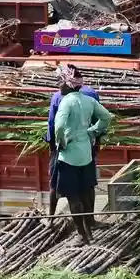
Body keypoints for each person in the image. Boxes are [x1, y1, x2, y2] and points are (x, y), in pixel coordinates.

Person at [52, 65, 113, 243]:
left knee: (73, 197)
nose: (58, 85)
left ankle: (81, 235)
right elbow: (107, 117)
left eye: (60, 82)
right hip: (86, 153)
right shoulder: (88, 100)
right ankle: (90, 230)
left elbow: (59, 126)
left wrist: (60, 142)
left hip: (69, 157)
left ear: (67, 84)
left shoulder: (66, 101)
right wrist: (93, 131)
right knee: (86, 194)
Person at [47, 64, 100, 218]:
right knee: (88, 184)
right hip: (87, 146)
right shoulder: (91, 93)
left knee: (56, 182)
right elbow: (99, 120)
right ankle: (90, 219)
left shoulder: (58, 96)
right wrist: (97, 143)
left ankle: (51, 218)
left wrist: (54, 148)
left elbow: (53, 124)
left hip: (66, 148)